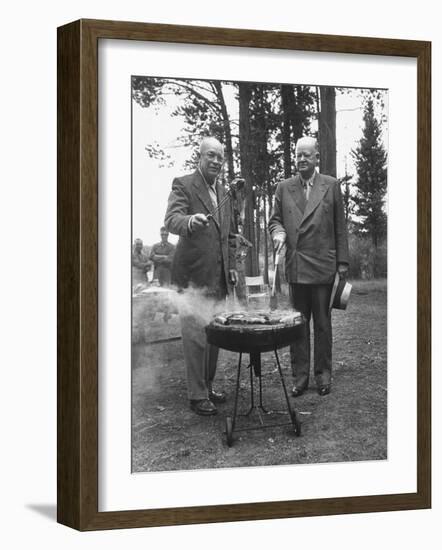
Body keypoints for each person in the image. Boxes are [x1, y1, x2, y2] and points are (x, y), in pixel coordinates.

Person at [269, 137, 349, 397]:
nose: (302, 159)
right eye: (298, 155)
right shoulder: (284, 187)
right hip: (297, 268)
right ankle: (300, 377)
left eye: (307, 155)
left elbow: (340, 227)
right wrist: (278, 234)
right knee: (298, 325)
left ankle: (323, 374)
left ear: (317, 158)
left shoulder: (331, 185)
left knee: (323, 325)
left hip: (323, 267)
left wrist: (342, 264)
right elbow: (275, 222)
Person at [164, 137, 238, 416]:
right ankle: (196, 396)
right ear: (200, 157)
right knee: (195, 337)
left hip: (218, 278)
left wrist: (231, 265)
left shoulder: (224, 193)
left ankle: (207, 386)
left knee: (214, 336)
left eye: (220, 157)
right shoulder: (183, 184)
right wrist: (189, 221)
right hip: (192, 278)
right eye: (211, 156)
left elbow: (228, 236)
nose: (217, 162)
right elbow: (171, 220)